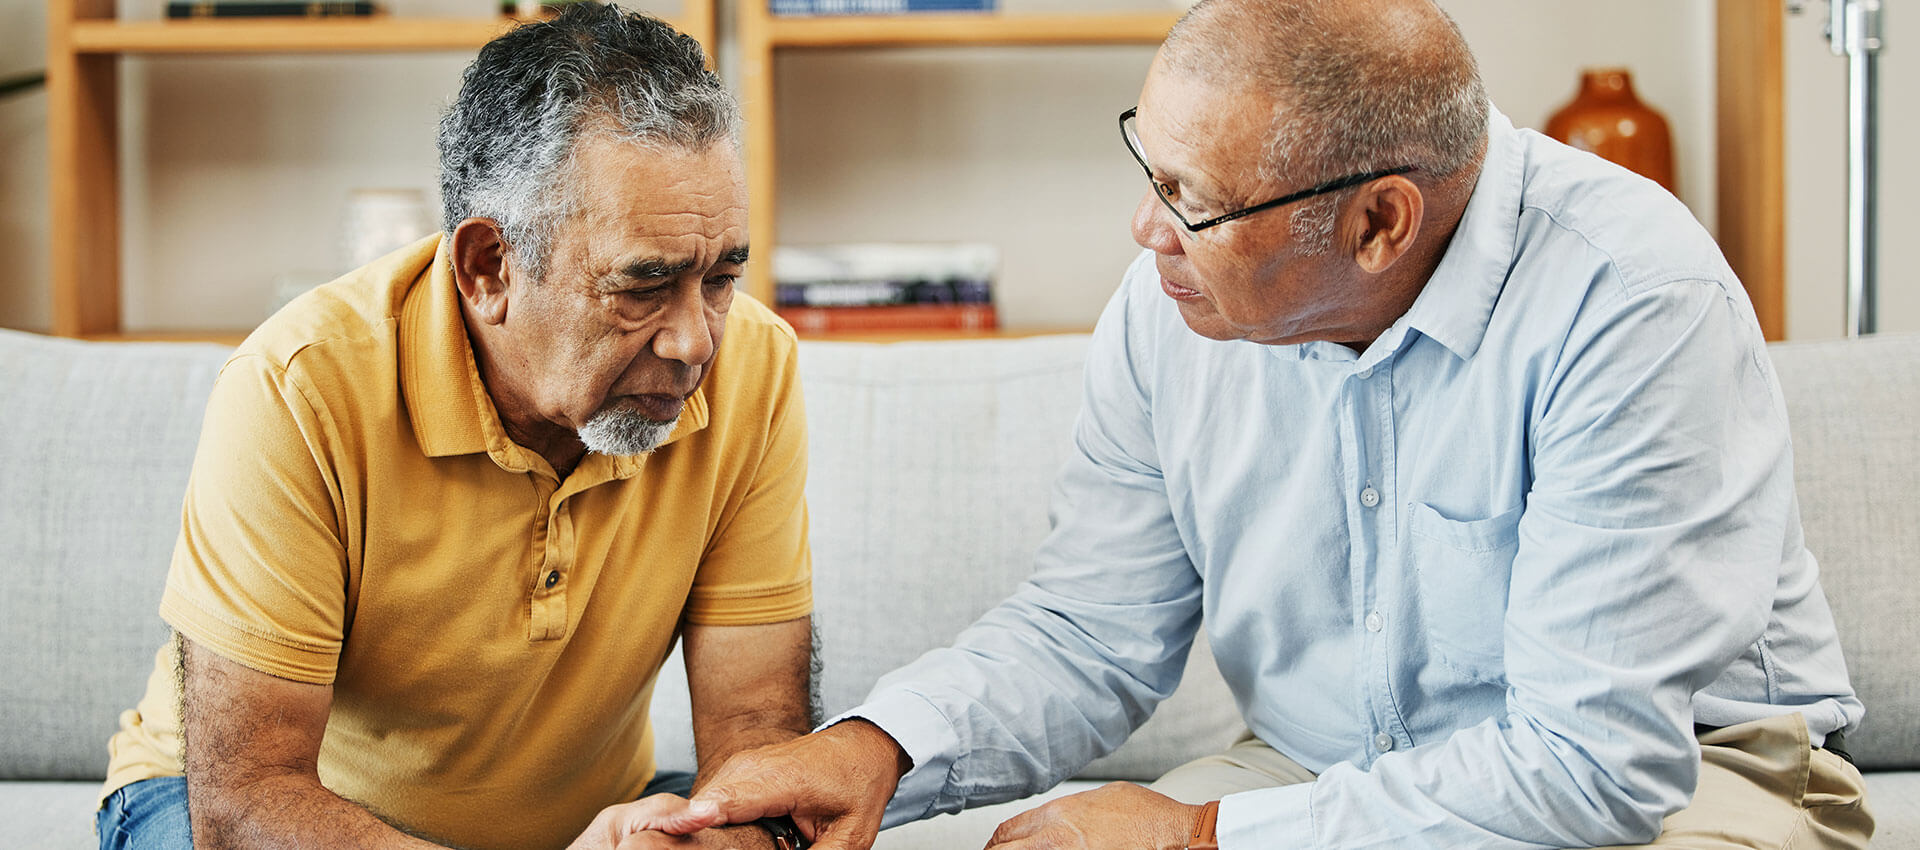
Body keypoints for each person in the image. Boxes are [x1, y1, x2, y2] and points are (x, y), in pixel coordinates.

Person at [634, 0, 1875, 848]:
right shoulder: (1168, 308)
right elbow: (1091, 628)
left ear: (1379, 223)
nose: (1144, 232)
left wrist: (1196, 833)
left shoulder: (1630, 297)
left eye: (1191, 198)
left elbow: (1592, 765)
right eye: (1147, 165)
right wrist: (880, 749)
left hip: (1689, 778)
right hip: (1324, 766)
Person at [94, 5, 813, 849]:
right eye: (643, 285)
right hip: (236, 809)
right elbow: (247, 801)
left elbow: (758, 731)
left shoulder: (754, 365)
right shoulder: (299, 388)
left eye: (722, 277)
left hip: (584, 819)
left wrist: (723, 837)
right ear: (488, 267)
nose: (696, 341)